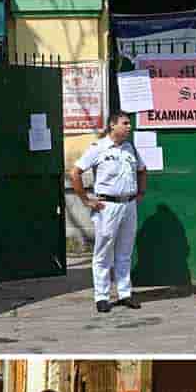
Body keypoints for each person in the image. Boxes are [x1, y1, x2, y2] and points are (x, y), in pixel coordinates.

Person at [71, 111, 148, 314]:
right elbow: (75, 172)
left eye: (129, 123)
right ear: (112, 125)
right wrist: (86, 200)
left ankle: (124, 293)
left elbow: (142, 169)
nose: (129, 127)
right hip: (107, 206)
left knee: (124, 252)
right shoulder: (99, 148)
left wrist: (141, 192)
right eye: (125, 123)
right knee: (104, 252)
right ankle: (102, 296)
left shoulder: (130, 148)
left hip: (129, 205)